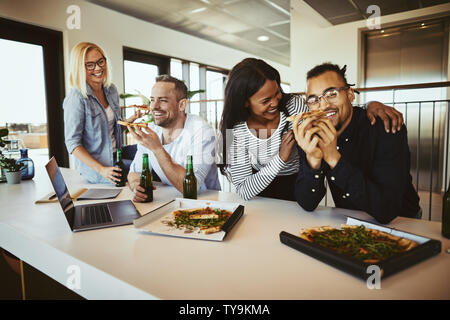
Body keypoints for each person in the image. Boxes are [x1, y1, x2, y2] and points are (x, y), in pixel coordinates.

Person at [218, 58, 404, 201]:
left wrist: (370, 105)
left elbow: (331, 110)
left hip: (298, 182)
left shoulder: (294, 106)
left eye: (277, 93)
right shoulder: (233, 132)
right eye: (266, 101)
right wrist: (281, 158)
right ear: (244, 102)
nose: (276, 102)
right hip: (259, 187)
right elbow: (244, 190)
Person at [293, 62, 420, 224]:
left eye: (331, 93)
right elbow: (306, 203)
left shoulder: (384, 127)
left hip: (403, 221)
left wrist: (334, 159)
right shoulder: (311, 135)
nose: (323, 105)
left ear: (350, 95)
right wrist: (313, 161)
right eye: (313, 100)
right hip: (350, 222)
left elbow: (387, 210)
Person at [127, 75, 220, 202]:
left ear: (181, 105)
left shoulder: (202, 131)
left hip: (206, 203)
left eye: (163, 100)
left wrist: (157, 149)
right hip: (170, 200)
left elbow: (191, 189)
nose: (154, 107)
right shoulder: (152, 130)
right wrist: (136, 186)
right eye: (152, 100)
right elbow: (135, 172)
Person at [63, 42, 141, 184]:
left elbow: (112, 129)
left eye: (100, 61)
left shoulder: (110, 90)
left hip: (116, 154)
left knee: (149, 150)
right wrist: (102, 170)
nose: (98, 68)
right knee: (145, 171)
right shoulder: (76, 98)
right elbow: (73, 144)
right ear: (79, 68)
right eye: (90, 65)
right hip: (101, 167)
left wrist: (132, 119)